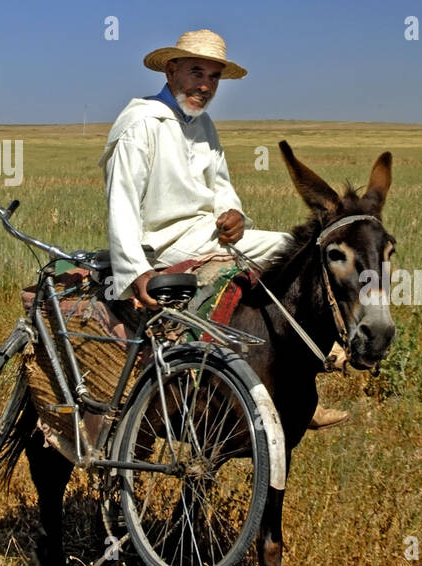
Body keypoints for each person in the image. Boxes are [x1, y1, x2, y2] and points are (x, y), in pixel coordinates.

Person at [99, 29, 348, 429]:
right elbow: (122, 202)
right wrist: (136, 272)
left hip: (205, 236)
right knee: (297, 255)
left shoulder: (202, 124)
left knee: (295, 252)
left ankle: (299, 384)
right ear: (170, 69)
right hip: (162, 246)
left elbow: (221, 188)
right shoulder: (141, 123)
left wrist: (234, 214)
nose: (205, 85)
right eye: (196, 72)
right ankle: (306, 375)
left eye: (213, 77)